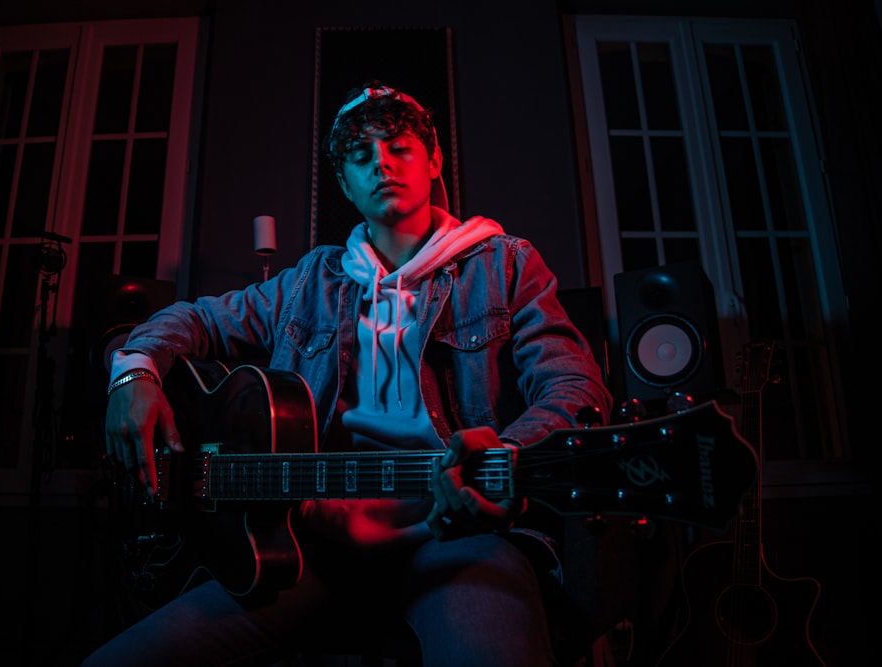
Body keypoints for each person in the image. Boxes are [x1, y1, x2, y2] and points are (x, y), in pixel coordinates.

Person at [83, 81, 612, 667]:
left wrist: (504, 457)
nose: (380, 164)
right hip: (313, 548)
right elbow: (195, 319)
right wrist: (133, 374)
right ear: (345, 184)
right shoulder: (309, 282)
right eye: (361, 157)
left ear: (434, 160)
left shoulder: (507, 264)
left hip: (461, 541)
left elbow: (576, 388)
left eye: (399, 148)